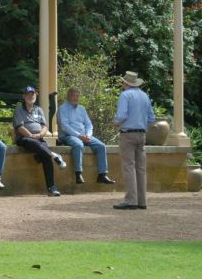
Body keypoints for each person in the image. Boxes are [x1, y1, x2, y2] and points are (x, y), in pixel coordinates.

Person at [113, 71, 155, 210]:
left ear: (125, 83)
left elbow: (122, 115)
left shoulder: (125, 95)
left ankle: (131, 200)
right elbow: (151, 118)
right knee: (141, 169)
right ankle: (142, 201)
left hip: (128, 134)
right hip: (141, 134)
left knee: (129, 167)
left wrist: (115, 123)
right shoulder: (145, 96)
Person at [13, 86, 66, 196]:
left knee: (45, 156)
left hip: (39, 138)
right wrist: (31, 135)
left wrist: (40, 134)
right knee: (33, 142)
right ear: (24, 96)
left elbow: (45, 127)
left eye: (33, 94)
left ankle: (52, 188)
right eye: (28, 94)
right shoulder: (19, 109)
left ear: (36, 96)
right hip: (24, 138)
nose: (31, 96)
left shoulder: (39, 109)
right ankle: (54, 155)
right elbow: (19, 127)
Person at [59, 87, 116, 185]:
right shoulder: (62, 108)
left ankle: (102, 175)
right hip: (68, 135)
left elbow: (89, 124)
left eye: (77, 96)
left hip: (84, 135)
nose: (75, 98)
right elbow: (65, 126)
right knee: (78, 145)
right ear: (68, 96)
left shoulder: (82, 109)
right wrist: (79, 135)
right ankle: (78, 174)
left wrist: (88, 135)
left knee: (101, 146)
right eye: (73, 95)